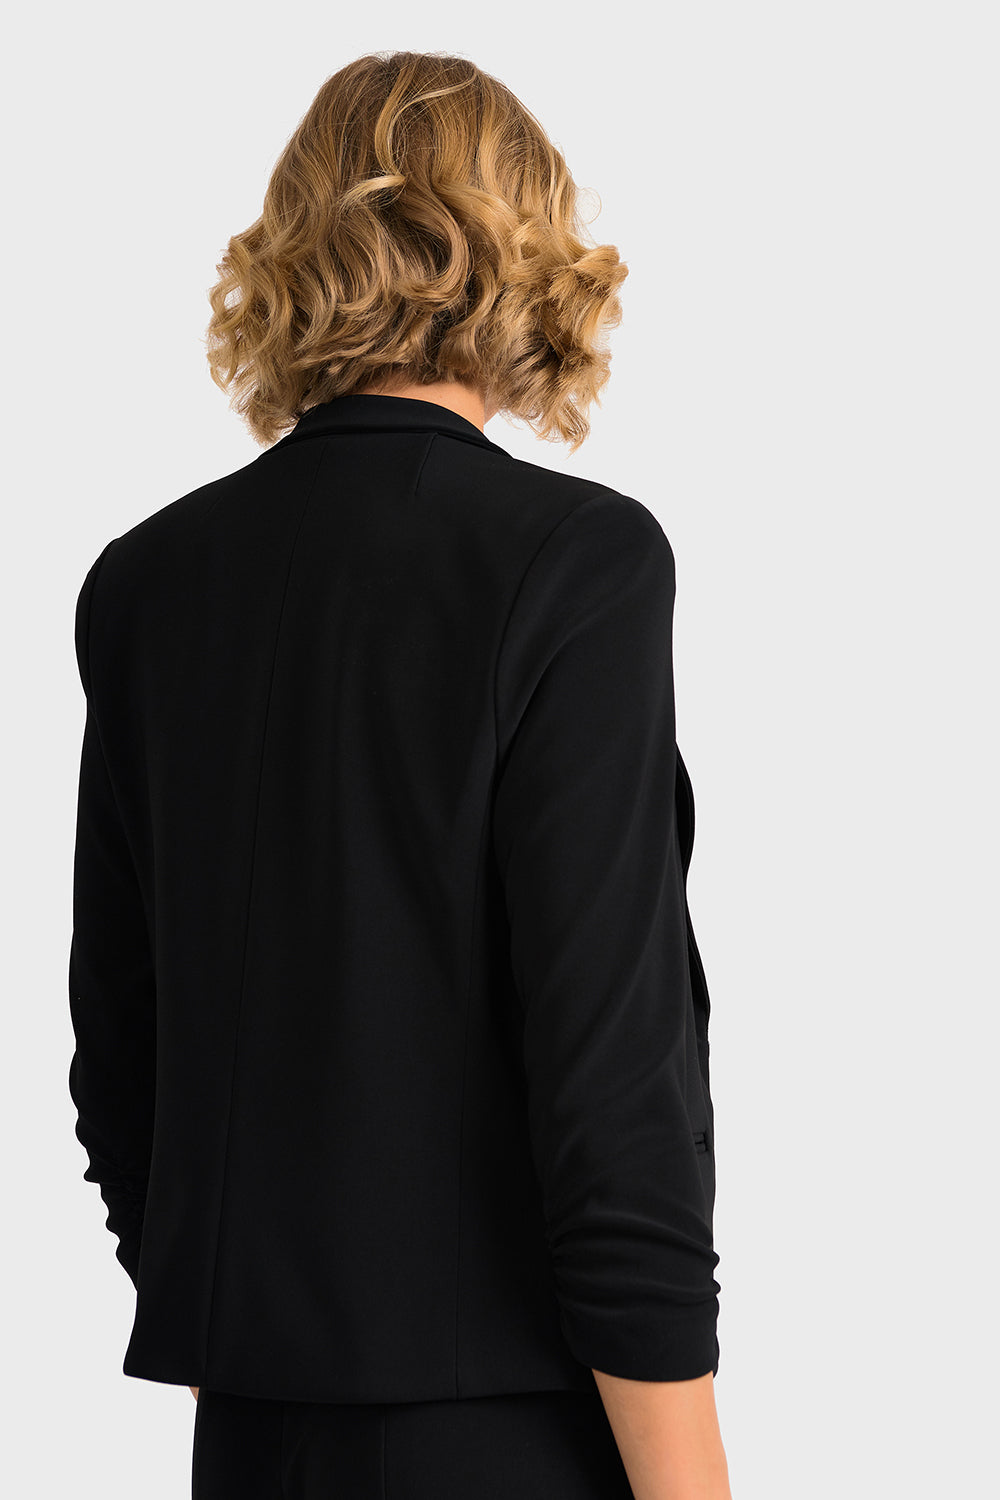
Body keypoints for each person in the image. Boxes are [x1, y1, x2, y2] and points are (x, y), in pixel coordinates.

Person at [67, 49, 731, 1500]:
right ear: (527, 253)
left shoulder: (146, 584)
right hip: (509, 1433)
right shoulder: (581, 565)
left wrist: (246, 1312)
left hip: (253, 1433)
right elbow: (612, 1079)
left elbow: (120, 1052)